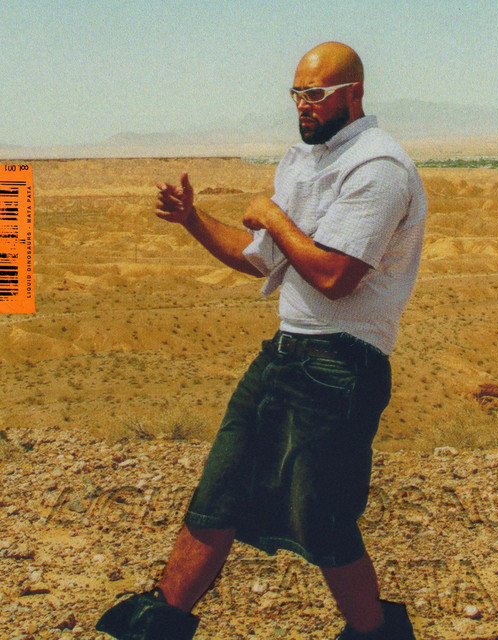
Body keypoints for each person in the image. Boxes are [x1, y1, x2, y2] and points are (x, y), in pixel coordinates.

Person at [96, 41, 426, 640]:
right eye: (297, 93)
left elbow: (335, 276)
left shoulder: (378, 167)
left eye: (316, 94)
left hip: (341, 364)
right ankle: (161, 622)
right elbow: (260, 260)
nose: (303, 105)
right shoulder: (304, 163)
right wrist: (193, 219)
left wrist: (274, 216)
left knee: (323, 520)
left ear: (353, 94)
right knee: (217, 492)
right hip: (286, 352)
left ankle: (377, 633)